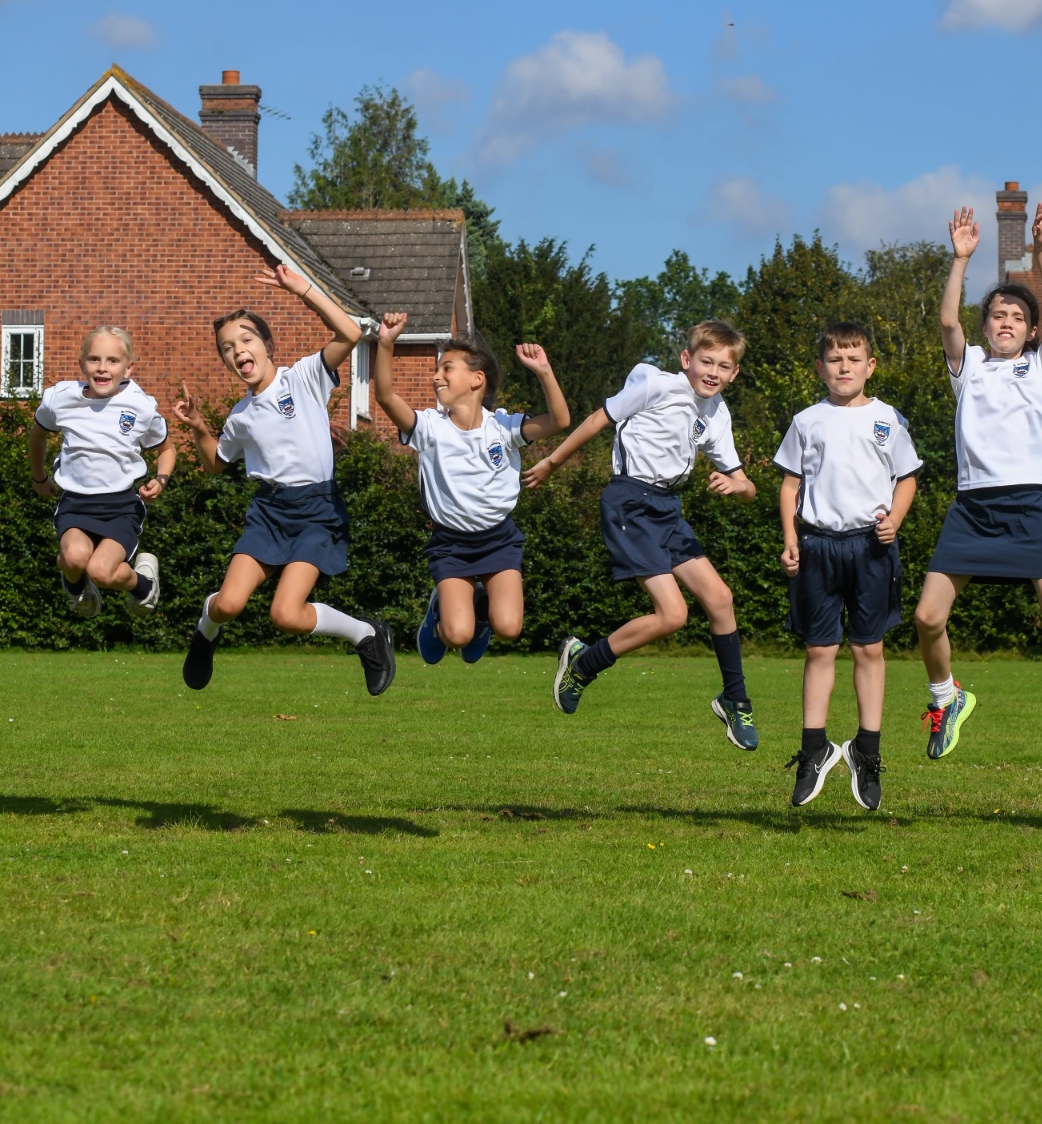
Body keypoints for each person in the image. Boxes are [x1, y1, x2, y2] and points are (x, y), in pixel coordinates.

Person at [524, 321, 760, 749]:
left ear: (734, 373)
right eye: (706, 362)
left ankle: (735, 699)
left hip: (668, 507)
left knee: (721, 599)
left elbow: (747, 486)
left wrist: (737, 485)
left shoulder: (717, 413)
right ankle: (584, 664)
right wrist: (551, 463)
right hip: (630, 501)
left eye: (723, 366)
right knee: (672, 615)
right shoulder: (657, 386)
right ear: (687, 359)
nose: (713, 372)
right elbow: (597, 419)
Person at [917, 204, 1042, 755]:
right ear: (986, 326)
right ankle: (946, 697)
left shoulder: (1040, 366)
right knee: (927, 617)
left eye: (1017, 317)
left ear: (1031, 331)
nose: (1006, 322)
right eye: (998, 315)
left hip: (1028, 506)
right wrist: (960, 259)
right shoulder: (968, 365)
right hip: (972, 508)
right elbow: (947, 322)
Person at [170, 264, 396, 695]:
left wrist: (303, 289)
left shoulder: (304, 377)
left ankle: (366, 635)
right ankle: (206, 630)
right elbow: (216, 462)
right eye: (227, 348)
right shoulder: (240, 415)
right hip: (269, 512)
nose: (238, 351)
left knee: (286, 615)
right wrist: (198, 426)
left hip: (317, 512)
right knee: (227, 604)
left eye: (246, 340)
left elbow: (350, 333)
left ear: (268, 345)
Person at [776, 323, 922, 811]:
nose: (845, 367)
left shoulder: (888, 419)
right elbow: (790, 485)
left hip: (871, 547)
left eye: (854, 359)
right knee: (819, 650)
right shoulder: (806, 420)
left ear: (870, 366)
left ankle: (867, 751)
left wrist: (894, 520)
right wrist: (790, 539)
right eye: (835, 360)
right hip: (817, 545)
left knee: (868, 648)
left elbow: (907, 479)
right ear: (821, 368)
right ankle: (814, 749)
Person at [370, 312, 570, 663]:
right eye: (438, 369)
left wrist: (543, 371)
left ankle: (481, 614)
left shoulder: (503, 427)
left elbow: (560, 420)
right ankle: (438, 617)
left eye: (447, 368)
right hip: (451, 544)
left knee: (509, 627)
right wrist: (386, 342)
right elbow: (385, 396)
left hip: (499, 538)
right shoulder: (429, 427)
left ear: (477, 379)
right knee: (456, 635)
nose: (437, 376)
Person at [30, 326, 175, 620]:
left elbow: (167, 449)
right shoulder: (60, 398)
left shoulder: (140, 405)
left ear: (128, 368)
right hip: (76, 503)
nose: (102, 368)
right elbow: (37, 436)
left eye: (113, 361)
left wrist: (161, 479)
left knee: (101, 571)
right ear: (82, 364)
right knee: (73, 558)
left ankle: (144, 585)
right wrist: (39, 477)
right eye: (94, 359)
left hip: (121, 507)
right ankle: (76, 587)